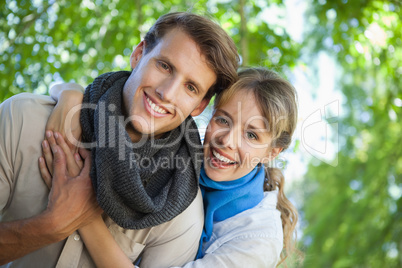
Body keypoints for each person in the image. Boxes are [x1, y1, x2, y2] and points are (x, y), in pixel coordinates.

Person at [0, 12, 239, 267]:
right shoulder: (25, 119)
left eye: (190, 87)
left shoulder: (181, 211)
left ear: (200, 106)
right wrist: (52, 225)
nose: (166, 93)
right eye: (165, 66)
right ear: (138, 54)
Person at [40, 68, 299, 267]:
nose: (227, 141)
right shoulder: (180, 151)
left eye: (251, 135)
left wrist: (81, 213)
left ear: (272, 152)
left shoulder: (258, 238)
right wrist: (70, 95)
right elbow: (111, 101)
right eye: (223, 120)